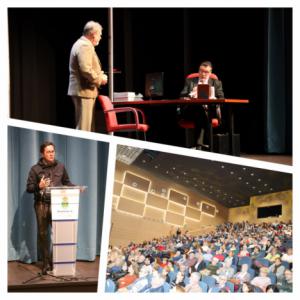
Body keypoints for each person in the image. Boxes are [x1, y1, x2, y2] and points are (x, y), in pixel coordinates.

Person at [26, 141, 75, 274]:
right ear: (42, 153)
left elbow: (67, 182)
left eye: (53, 151)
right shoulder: (35, 169)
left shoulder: (60, 166)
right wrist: (39, 186)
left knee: (58, 234)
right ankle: (45, 263)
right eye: (48, 152)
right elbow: (29, 188)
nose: (51, 154)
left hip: (57, 205)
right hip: (41, 205)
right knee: (43, 235)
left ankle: (55, 261)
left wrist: (76, 188)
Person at [68, 20, 108, 131]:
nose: (100, 37)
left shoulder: (82, 44)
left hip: (84, 91)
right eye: (100, 35)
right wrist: (100, 79)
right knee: (84, 128)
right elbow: (85, 70)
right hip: (84, 91)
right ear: (93, 34)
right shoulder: (84, 46)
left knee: (86, 127)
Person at [180, 61, 224, 149]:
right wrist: (191, 95)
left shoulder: (216, 83)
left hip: (210, 110)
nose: (203, 74)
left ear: (210, 73)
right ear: (198, 71)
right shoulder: (190, 82)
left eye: (206, 72)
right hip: (191, 111)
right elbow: (182, 96)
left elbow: (221, 98)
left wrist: (214, 98)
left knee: (202, 112)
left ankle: (198, 145)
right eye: (201, 71)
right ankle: (208, 143)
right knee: (199, 108)